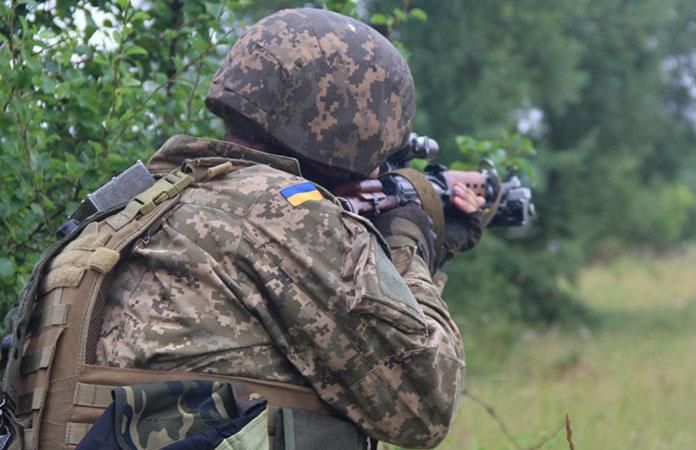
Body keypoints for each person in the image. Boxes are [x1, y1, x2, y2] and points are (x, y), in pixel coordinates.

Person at [2, 7, 485, 450]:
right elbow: (425, 406)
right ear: (354, 125)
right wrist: (408, 239)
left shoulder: (123, 210)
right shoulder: (287, 217)